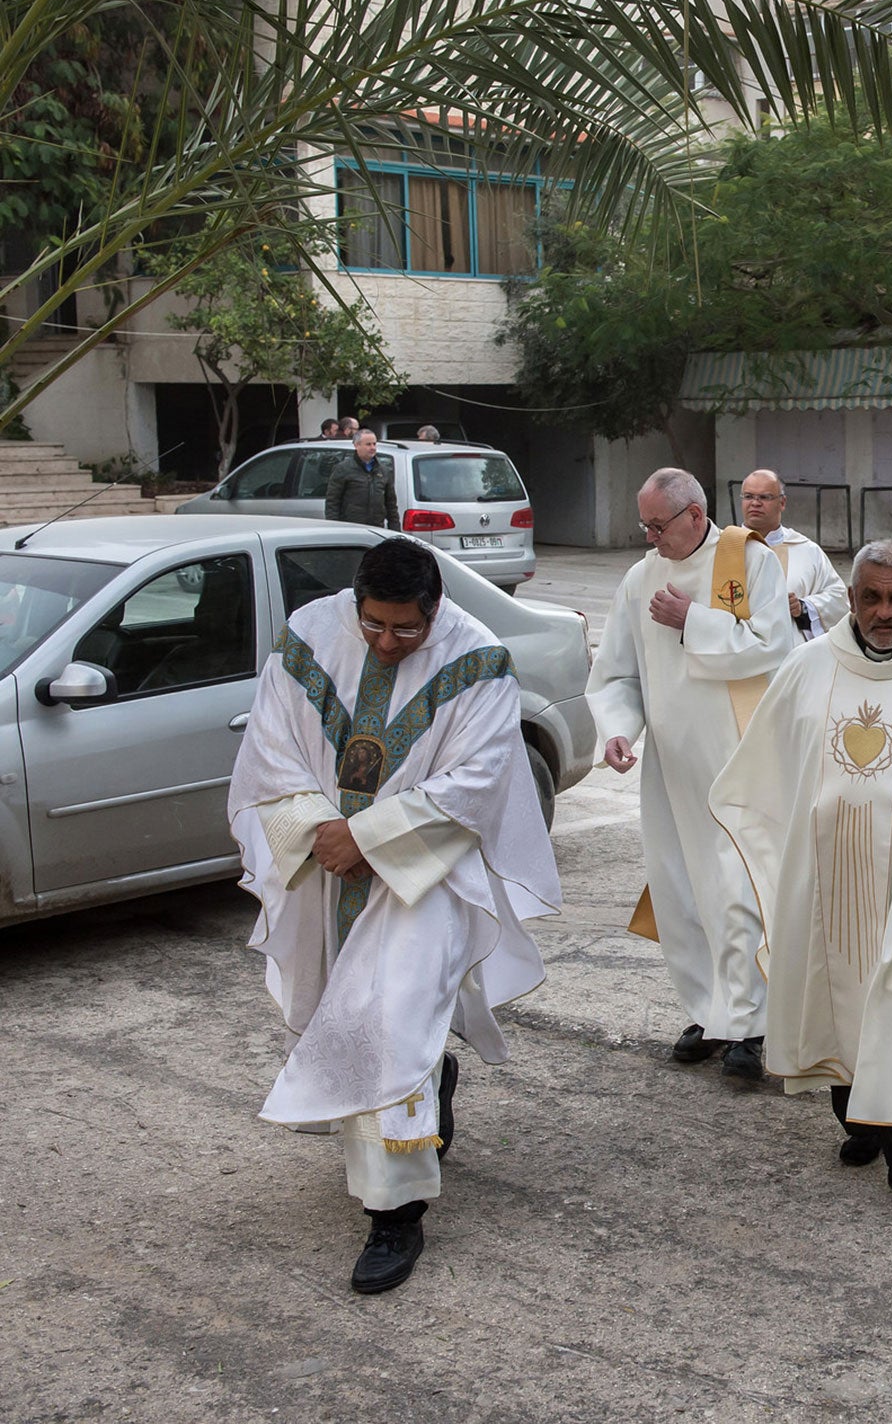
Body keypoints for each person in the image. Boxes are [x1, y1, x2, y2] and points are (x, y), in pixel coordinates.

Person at [227, 538, 559, 1295]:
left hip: (425, 878)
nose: (384, 643)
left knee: (388, 1018)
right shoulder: (311, 633)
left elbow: (478, 780)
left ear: (435, 610)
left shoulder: (477, 659)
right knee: (350, 1016)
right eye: (373, 624)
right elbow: (271, 747)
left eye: (405, 631)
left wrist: (369, 837)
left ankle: (395, 1215)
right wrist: (323, 833)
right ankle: (431, 1083)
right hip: (324, 864)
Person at [711, 542, 892, 1206]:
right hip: (828, 874)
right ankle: (861, 1122)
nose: (885, 611)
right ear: (851, 599)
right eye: (872, 597)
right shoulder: (808, 669)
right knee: (838, 996)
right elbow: (768, 762)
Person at [585, 467, 796, 1080]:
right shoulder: (639, 578)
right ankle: (709, 1011)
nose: (651, 539)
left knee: (737, 891)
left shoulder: (748, 560)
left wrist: (693, 621)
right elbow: (618, 671)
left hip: (739, 759)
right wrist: (618, 728)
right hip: (671, 769)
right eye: (645, 525)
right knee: (680, 892)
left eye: (659, 526)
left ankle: (751, 1026)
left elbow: (773, 644)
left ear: (697, 515)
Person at [738, 468, 849, 642]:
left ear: (782, 503)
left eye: (764, 497)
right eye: (749, 496)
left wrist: (803, 607)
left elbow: (838, 599)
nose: (755, 503)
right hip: (740, 654)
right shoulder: (726, 546)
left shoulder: (807, 550)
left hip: (792, 655)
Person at [325, 428, 398, 529]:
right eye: (368, 444)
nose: (372, 448)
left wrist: (395, 529)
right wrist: (334, 527)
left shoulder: (383, 470)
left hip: (376, 527)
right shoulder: (343, 469)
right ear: (357, 445)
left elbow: (391, 505)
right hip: (351, 527)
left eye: (374, 444)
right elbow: (332, 501)